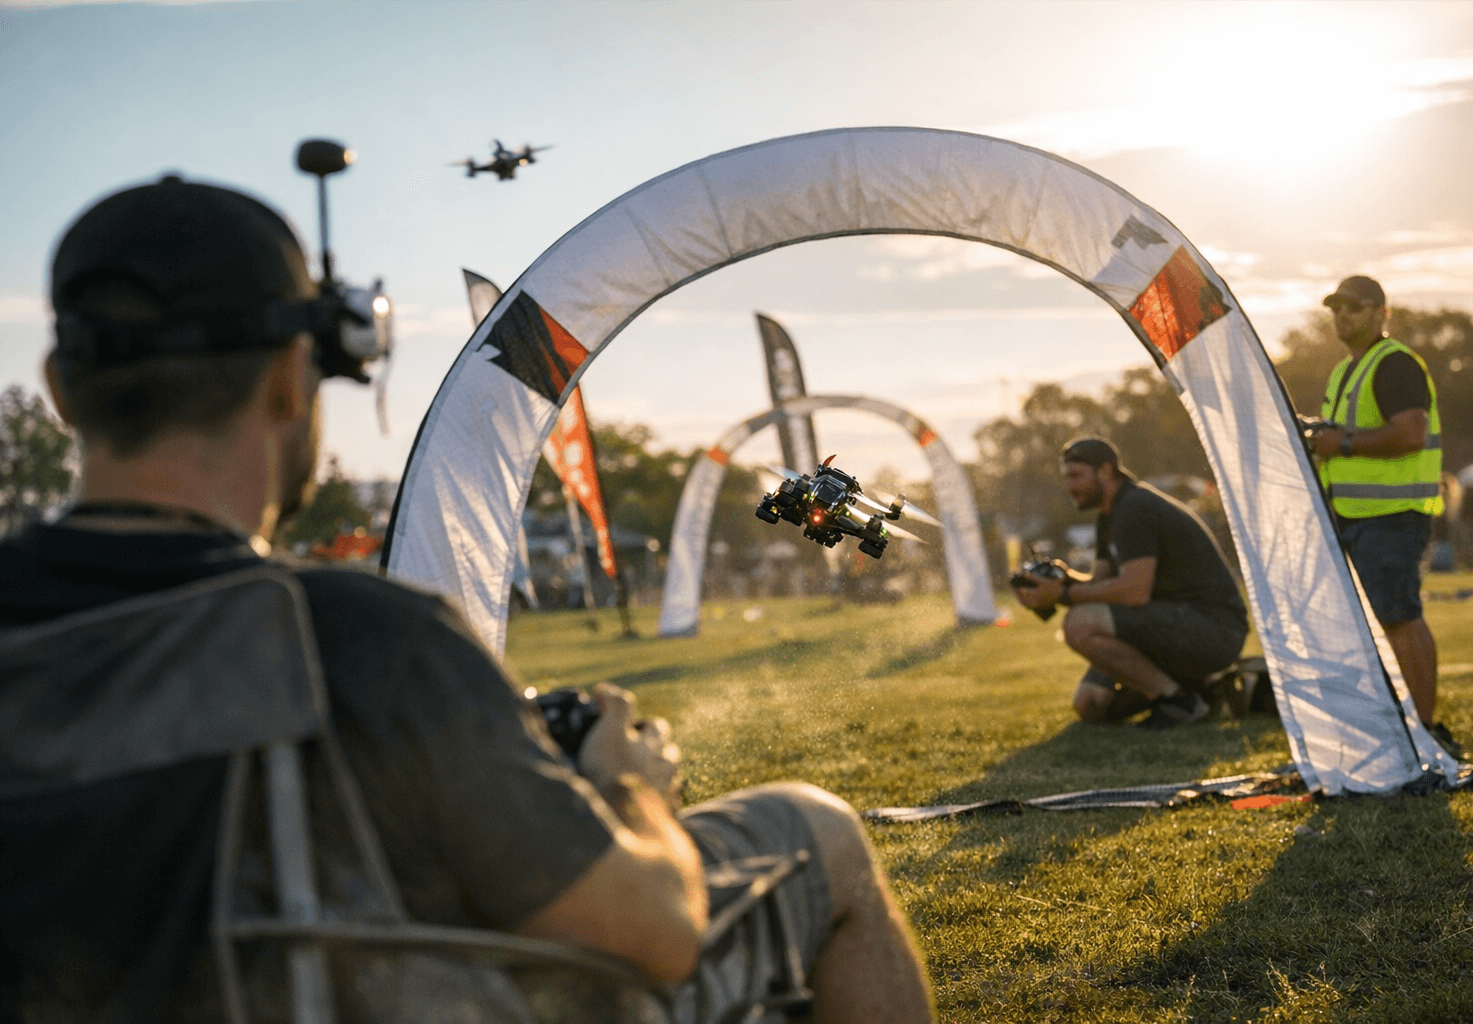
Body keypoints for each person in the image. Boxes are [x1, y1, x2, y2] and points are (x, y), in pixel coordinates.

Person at [0, 175, 934, 1023]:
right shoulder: (362, 639)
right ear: (294, 376)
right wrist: (626, 788)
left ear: (58, 393)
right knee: (819, 830)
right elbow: (654, 932)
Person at [1304, 274, 1456, 756]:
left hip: (1392, 515)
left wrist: (1342, 442)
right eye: (1336, 308)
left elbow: (1410, 433)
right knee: (1386, 620)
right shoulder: (1347, 370)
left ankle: (1426, 734)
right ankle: (1405, 730)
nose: (1342, 315)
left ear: (1380, 313)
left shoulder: (1394, 365)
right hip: (1359, 515)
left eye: (1353, 306)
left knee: (1399, 618)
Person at [1013, 438, 1249, 730]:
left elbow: (1134, 592)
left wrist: (1062, 594)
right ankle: (1202, 688)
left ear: (1105, 471)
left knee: (1078, 625)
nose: (1070, 486)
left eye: (1076, 476)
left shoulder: (1134, 507)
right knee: (1091, 704)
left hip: (1214, 629)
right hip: (1170, 624)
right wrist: (1056, 580)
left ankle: (1178, 701)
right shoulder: (1108, 515)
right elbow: (1099, 585)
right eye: (1066, 478)